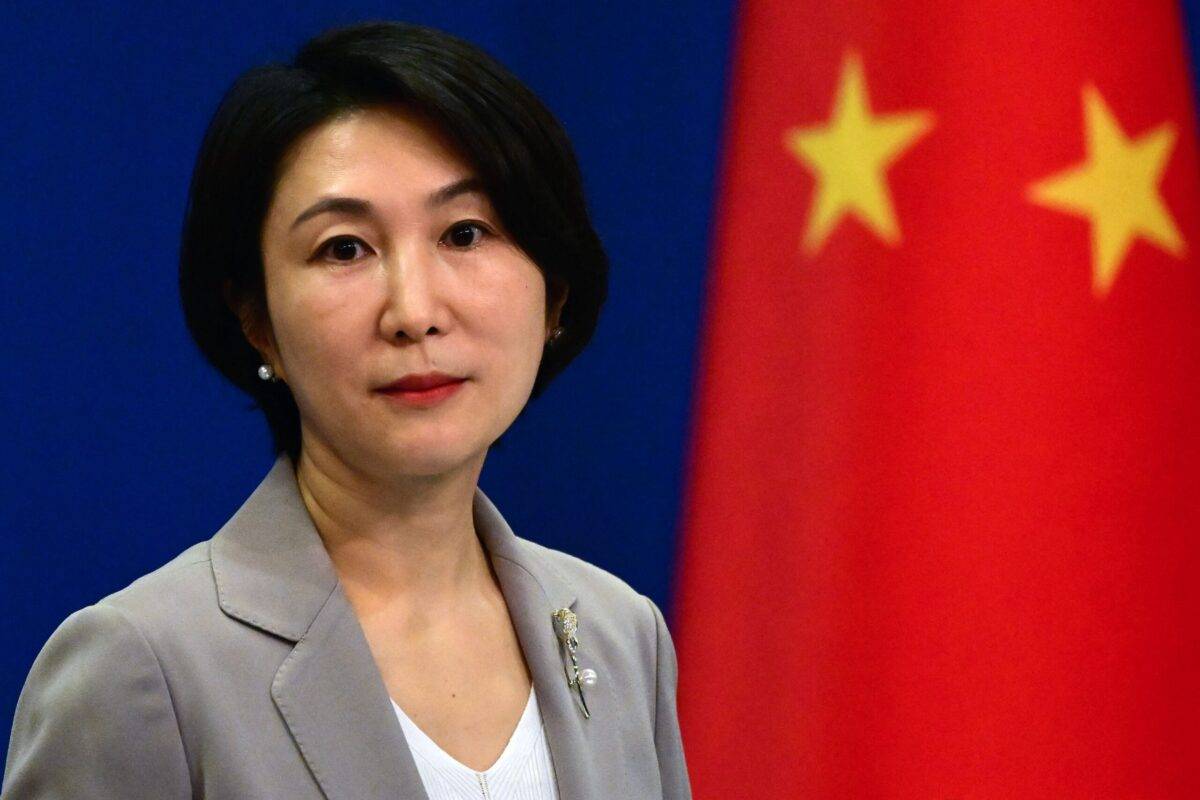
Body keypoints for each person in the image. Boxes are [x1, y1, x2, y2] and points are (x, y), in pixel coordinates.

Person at [2, 20, 691, 800]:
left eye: (465, 233)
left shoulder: (618, 633)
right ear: (255, 318)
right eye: (344, 249)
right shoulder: (143, 668)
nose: (414, 310)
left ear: (554, 295)